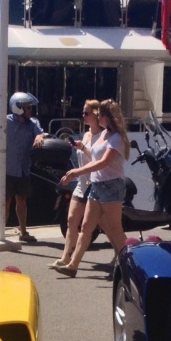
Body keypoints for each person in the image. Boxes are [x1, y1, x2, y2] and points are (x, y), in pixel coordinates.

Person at [56, 98, 130, 275]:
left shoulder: (117, 138)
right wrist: (83, 148)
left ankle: (128, 264)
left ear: (107, 117)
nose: (97, 117)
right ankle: (73, 265)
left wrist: (76, 171)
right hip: (97, 185)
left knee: (115, 229)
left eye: (100, 115)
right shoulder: (104, 134)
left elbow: (103, 162)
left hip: (112, 186)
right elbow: (96, 157)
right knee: (86, 226)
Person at [0, 91, 47, 248]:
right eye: (27, 108)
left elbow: (40, 134)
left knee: (22, 200)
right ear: (18, 108)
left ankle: (23, 231)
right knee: (5, 201)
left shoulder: (32, 123)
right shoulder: (4, 121)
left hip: (22, 169)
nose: (30, 111)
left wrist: (40, 137)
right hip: (6, 169)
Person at [54, 99, 101, 271]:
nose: (83, 116)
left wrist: (83, 148)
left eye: (86, 113)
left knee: (106, 227)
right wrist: (80, 147)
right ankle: (65, 258)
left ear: (96, 115)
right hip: (82, 182)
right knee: (71, 220)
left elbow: (100, 161)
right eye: (83, 113)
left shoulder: (103, 136)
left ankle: (121, 254)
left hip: (96, 184)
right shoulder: (87, 134)